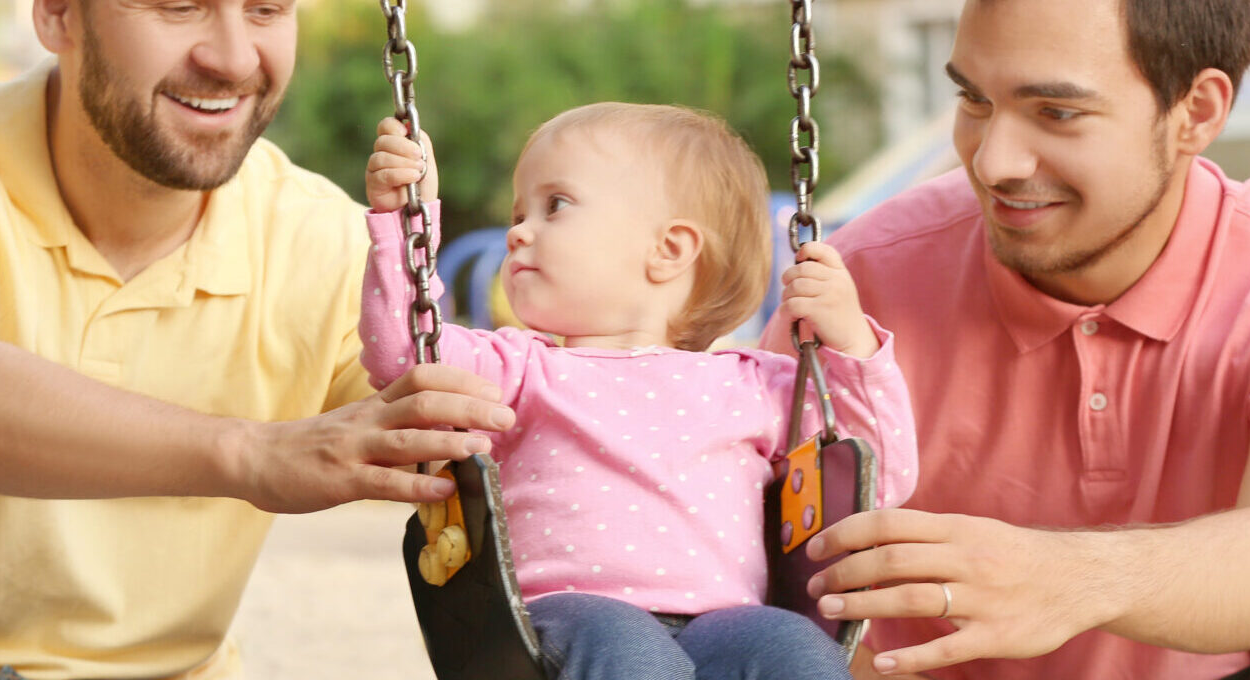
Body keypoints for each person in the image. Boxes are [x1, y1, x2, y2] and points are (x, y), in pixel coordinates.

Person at [759, 0, 1250, 679]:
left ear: (1197, 112)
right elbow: (752, 570)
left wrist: (1059, 576)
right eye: (975, 101)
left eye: (1057, 112)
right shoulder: (862, 276)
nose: (994, 159)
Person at [0, 1, 513, 679]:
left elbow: (491, 453)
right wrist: (253, 455)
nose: (234, 58)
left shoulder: (330, 248)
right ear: (59, 16)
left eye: (267, 9)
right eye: (178, 6)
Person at [360, 102, 919, 679]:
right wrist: (408, 223)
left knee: (792, 643)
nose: (518, 232)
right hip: (568, 620)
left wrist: (850, 344)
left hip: (724, 622)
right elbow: (405, 353)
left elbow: (872, 479)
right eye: (517, 212)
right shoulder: (517, 368)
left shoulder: (754, 383)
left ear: (669, 250)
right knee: (624, 641)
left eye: (555, 205)